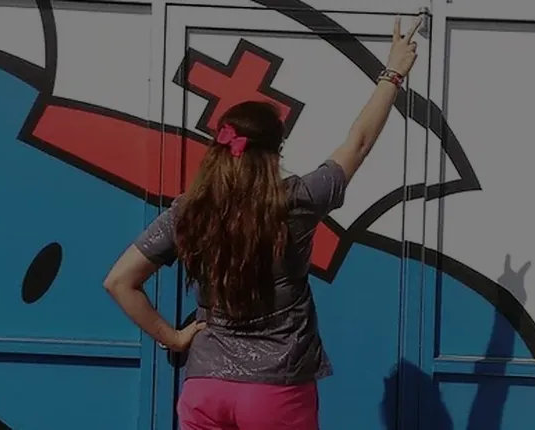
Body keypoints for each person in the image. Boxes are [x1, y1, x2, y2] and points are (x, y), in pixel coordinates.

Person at [103, 16, 421, 430]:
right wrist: (393, 73)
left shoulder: (190, 212)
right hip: (277, 391)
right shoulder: (298, 201)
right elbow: (358, 143)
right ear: (276, 150)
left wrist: (174, 337)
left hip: (205, 388)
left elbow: (119, 281)